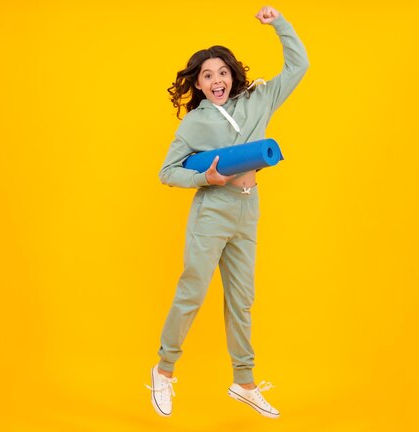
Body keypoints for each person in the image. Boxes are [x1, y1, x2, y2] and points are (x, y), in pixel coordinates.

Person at [147, 5, 309, 419]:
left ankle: (244, 381)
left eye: (221, 72)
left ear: (231, 74)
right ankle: (164, 371)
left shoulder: (257, 99)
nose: (216, 80)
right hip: (211, 212)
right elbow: (167, 172)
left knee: (242, 300)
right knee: (193, 291)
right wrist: (206, 180)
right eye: (207, 76)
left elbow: (298, 65)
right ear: (198, 85)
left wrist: (279, 25)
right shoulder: (195, 124)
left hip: (247, 210)